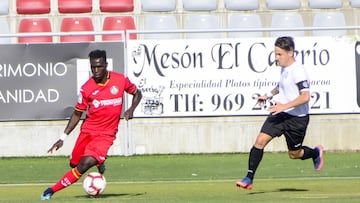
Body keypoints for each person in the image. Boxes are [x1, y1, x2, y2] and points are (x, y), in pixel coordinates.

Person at [41, 49, 142, 200]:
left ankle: (50, 190)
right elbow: (77, 114)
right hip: (88, 131)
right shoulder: (87, 88)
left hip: (106, 134)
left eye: (99, 66)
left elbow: (137, 93)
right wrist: (63, 137)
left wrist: (131, 109)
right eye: (93, 67)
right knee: (74, 164)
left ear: (106, 65)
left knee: (84, 164)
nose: (95, 70)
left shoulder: (120, 80)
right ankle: (99, 163)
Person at [236, 36, 324, 190]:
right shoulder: (284, 68)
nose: (276, 58)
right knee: (260, 141)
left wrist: (284, 106)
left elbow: (305, 97)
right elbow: (281, 86)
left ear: (290, 53)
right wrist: (269, 95)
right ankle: (249, 177)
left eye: (279, 54)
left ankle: (315, 153)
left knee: (294, 154)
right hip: (280, 114)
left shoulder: (299, 71)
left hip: (297, 119)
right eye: (275, 54)